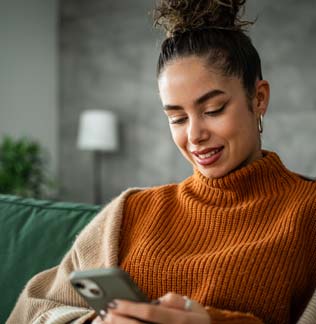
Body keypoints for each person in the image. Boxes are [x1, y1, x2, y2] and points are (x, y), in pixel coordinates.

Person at [7, 0, 316, 323]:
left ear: (259, 98)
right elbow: (30, 312)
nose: (194, 134)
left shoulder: (307, 213)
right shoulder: (130, 212)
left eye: (213, 110)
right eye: (177, 118)